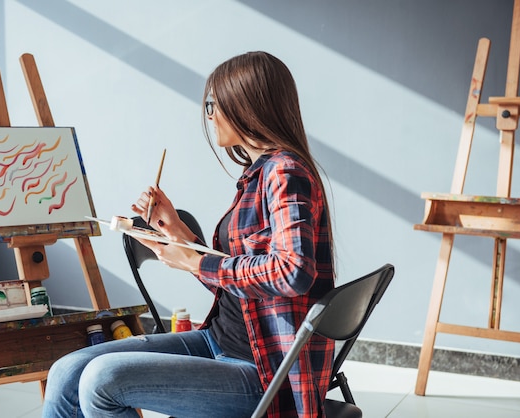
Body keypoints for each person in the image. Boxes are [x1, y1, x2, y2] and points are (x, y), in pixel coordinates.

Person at [42, 51, 335, 418]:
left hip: (262, 372)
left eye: (213, 103)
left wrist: (196, 261)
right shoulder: (259, 174)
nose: (209, 115)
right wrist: (175, 234)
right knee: (66, 370)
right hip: (217, 341)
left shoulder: (284, 173)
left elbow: (294, 272)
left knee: (102, 379)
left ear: (246, 103)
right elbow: (242, 286)